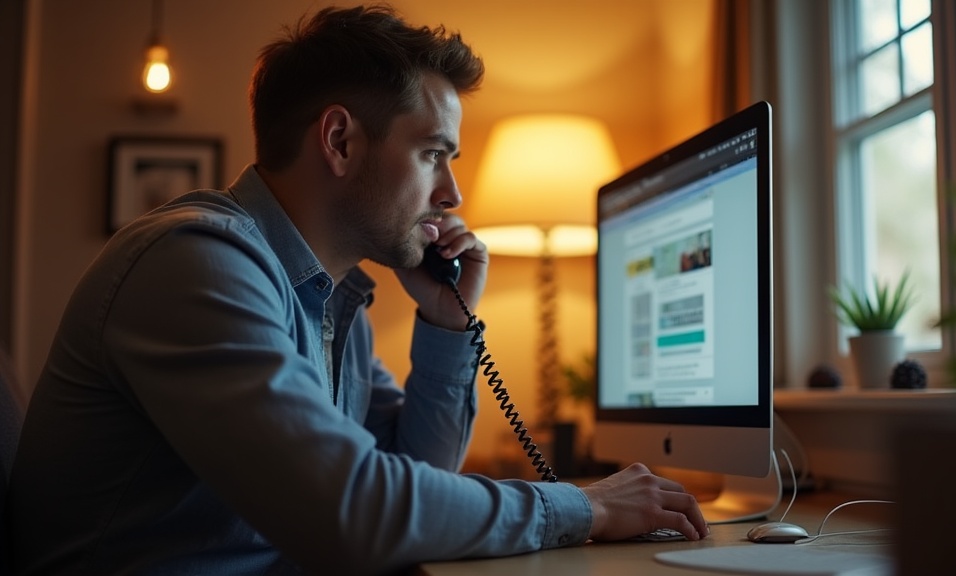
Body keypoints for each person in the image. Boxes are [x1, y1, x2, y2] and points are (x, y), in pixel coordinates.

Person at [5, 5, 709, 575]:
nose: (453, 193)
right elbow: (355, 516)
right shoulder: (195, 263)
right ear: (340, 140)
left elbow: (412, 489)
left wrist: (446, 323)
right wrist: (585, 507)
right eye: (433, 153)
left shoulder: (333, 299)